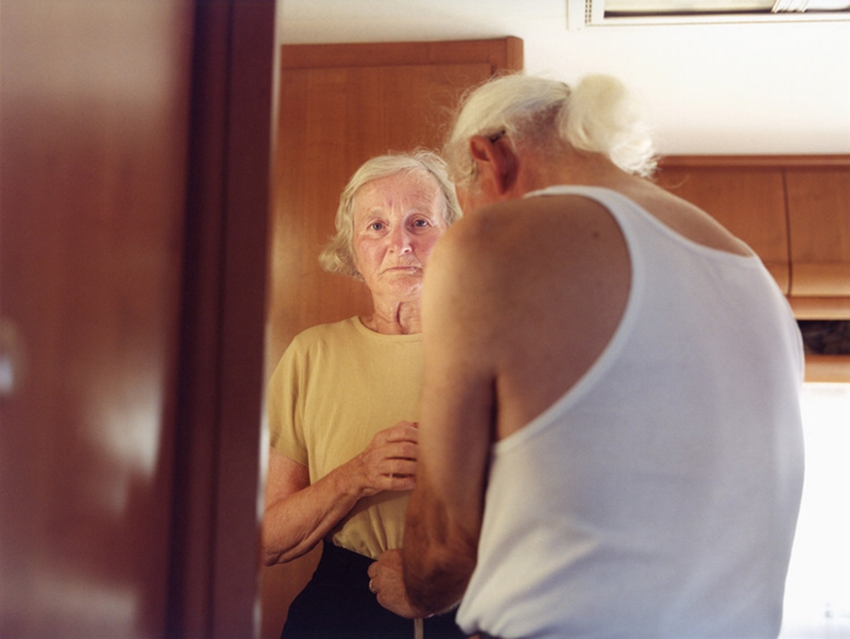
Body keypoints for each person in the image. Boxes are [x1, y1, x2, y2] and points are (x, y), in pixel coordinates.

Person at [369, 74, 806, 638]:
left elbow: (445, 550)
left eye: (467, 196)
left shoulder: (491, 244)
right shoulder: (751, 273)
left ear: (490, 157)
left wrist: (410, 582)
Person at [262, 151, 466, 639]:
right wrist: (358, 474)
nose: (400, 243)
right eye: (376, 226)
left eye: (420, 222)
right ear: (353, 249)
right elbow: (267, 541)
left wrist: (450, 581)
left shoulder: (496, 348)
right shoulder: (312, 353)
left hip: (473, 601)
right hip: (342, 603)